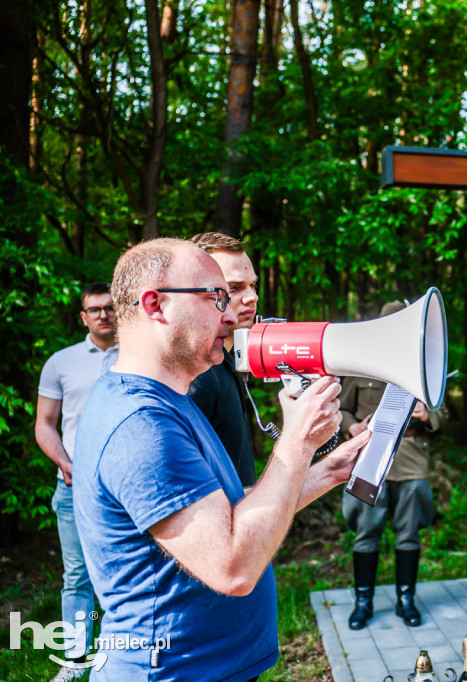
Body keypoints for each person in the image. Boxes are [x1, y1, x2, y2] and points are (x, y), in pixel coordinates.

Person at [73, 238, 370, 680]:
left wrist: (328, 471)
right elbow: (232, 567)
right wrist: (296, 440)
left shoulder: (169, 399)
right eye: (216, 298)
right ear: (155, 305)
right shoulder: (141, 425)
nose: (231, 315)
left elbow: (226, 511)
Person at [340, 300, 449, 630]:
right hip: (372, 459)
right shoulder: (362, 365)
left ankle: (406, 599)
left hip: (412, 460)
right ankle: (363, 602)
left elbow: (444, 414)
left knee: (409, 534)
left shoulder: (425, 365)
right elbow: (342, 409)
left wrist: (427, 414)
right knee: (365, 533)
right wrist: (353, 427)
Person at [34, 282, 119, 682]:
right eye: (95, 309)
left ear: (120, 312)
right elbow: (45, 425)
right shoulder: (60, 362)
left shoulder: (141, 358)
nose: (103, 314)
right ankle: (74, 659)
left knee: (126, 571)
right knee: (77, 575)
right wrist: (65, 464)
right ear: (83, 317)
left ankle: (120, 654)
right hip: (72, 487)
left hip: (126, 489)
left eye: (110, 307)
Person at [187, 232, 260, 485]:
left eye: (253, 285)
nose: (252, 297)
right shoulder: (197, 375)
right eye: (234, 288)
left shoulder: (221, 360)